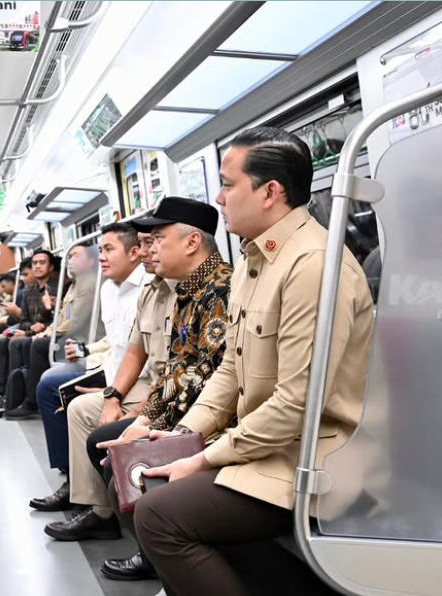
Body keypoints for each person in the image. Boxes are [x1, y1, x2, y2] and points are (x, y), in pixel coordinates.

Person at [132, 127, 374, 596]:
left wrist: (205, 457)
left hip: (314, 458)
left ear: (270, 192)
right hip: (267, 447)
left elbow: (296, 404)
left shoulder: (312, 265)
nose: (219, 198)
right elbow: (231, 368)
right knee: (145, 478)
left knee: (159, 515)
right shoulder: (252, 261)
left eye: (228, 184)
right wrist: (186, 435)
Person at [44, 197, 232, 544]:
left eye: (158, 240)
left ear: (192, 242)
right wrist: (144, 418)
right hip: (183, 406)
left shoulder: (218, 290)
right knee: (103, 440)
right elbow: (176, 370)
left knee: (113, 449)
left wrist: (150, 425)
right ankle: (138, 537)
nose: (150, 250)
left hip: (207, 417)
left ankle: (154, 547)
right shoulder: (187, 291)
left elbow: (203, 379)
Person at [30, 222, 148, 503]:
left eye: (109, 250)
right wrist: (85, 349)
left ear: (133, 253)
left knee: (54, 386)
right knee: (51, 384)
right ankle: (73, 479)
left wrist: (112, 393)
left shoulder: (147, 290)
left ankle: (85, 492)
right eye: (101, 250)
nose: (103, 257)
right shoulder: (107, 290)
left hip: (131, 378)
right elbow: (115, 340)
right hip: (109, 367)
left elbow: (140, 353)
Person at [6, 244, 102, 420]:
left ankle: (31, 401)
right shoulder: (74, 285)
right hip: (67, 336)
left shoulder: (89, 284)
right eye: (69, 256)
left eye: (76, 256)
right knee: (30, 342)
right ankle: (18, 394)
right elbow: (62, 316)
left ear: (90, 261)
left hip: (80, 340)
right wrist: (45, 332)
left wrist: (47, 334)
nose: (71, 260)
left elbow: (75, 322)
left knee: (39, 345)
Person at [0, 248, 58, 398]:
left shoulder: (56, 289)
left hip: (46, 332)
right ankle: (1, 389)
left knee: (16, 342)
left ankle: (15, 394)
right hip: (30, 329)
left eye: (42, 263)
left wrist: (29, 332)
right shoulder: (29, 290)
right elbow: (24, 318)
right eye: (35, 263)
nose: (37, 266)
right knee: (3, 340)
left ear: (51, 267)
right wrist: (28, 329)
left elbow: (51, 320)